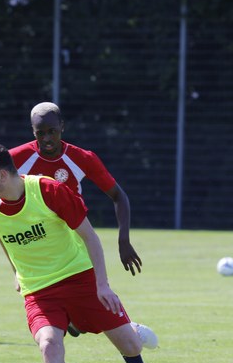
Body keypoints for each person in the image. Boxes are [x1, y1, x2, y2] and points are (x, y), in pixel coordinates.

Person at [0, 143, 164, 363]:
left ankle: (134, 339)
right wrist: (15, 271)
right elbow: (2, 232)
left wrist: (102, 285)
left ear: (2, 176)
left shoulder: (50, 191)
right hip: (39, 291)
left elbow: (90, 237)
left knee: (131, 346)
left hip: (79, 278)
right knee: (49, 344)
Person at [9, 102, 142, 276]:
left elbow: (118, 195)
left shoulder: (82, 158)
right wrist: (16, 269)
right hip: (37, 245)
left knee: (93, 291)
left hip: (76, 244)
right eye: (40, 133)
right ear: (33, 131)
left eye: (52, 131)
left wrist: (123, 240)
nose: (47, 138)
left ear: (62, 126)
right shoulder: (13, 159)